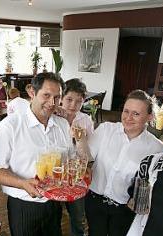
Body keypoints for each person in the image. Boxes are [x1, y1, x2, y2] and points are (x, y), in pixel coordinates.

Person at [0, 72, 72, 236]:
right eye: (46, 95)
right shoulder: (9, 127)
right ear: (32, 92)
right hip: (23, 204)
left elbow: (70, 158)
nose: (52, 103)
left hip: (54, 202)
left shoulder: (63, 125)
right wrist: (22, 183)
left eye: (57, 97)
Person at [81, 89, 163, 236]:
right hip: (94, 202)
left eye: (136, 114)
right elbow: (86, 158)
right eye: (126, 111)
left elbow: (157, 184)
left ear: (149, 116)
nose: (128, 118)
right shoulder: (106, 130)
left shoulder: (157, 148)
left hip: (125, 210)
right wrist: (80, 140)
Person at [59, 78, 94, 236]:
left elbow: (89, 151)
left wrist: (81, 139)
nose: (73, 105)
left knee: (78, 217)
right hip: (56, 172)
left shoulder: (85, 120)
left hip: (76, 174)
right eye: (69, 99)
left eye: (78, 101)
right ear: (61, 97)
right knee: (54, 216)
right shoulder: (54, 115)